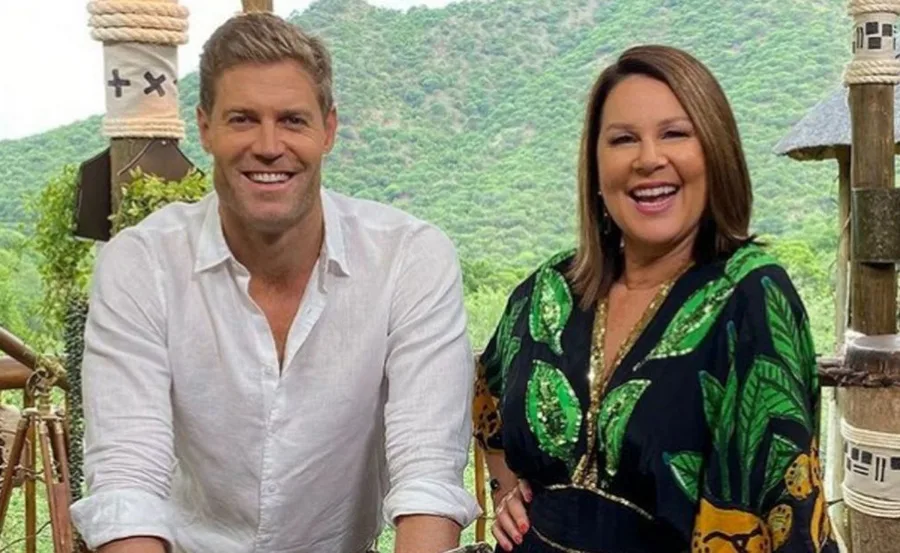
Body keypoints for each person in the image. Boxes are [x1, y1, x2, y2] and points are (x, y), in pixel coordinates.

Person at [71, 12, 479, 553]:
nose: (268, 145)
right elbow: (127, 481)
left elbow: (427, 474)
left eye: (292, 120)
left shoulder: (409, 258)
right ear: (205, 127)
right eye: (242, 119)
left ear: (327, 130)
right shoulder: (142, 264)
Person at [473, 45, 838, 553]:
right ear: (596, 168)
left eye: (675, 133)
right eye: (623, 140)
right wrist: (508, 491)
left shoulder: (751, 298)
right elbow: (486, 393)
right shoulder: (548, 290)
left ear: (715, 151)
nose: (648, 159)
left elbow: (785, 513)